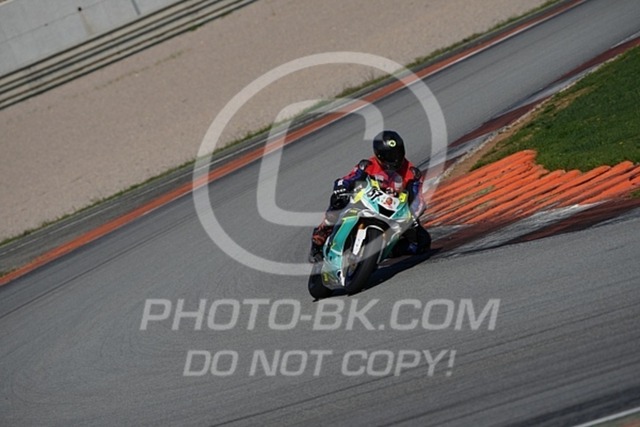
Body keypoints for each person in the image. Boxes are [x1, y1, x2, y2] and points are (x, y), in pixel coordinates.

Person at [309, 130, 431, 262]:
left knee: (423, 242)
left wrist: (413, 214)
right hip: (365, 202)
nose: (394, 159)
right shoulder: (367, 165)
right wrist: (342, 185)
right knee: (338, 199)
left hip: (393, 212)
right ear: (378, 154)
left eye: (397, 153)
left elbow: (417, 198)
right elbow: (349, 178)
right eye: (389, 156)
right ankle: (322, 233)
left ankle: (385, 251)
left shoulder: (412, 173)